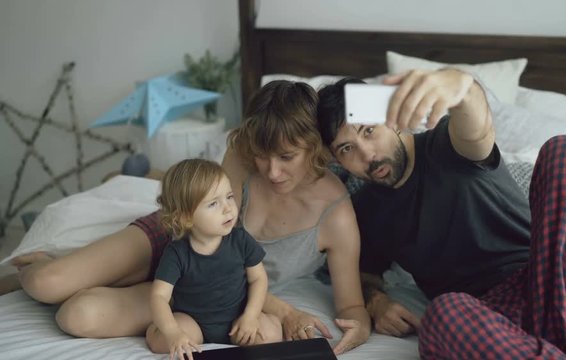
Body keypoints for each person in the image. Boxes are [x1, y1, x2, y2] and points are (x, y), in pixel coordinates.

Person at [4, 80, 370, 355]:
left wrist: (361, 327)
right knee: (47, 283)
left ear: (316, 146)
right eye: (263, 155)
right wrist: (287, 313)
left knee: (76, 316)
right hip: (175, 237)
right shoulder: (243, 154)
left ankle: (93, 276)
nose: (271, 171)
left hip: (203, 293)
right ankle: (32, 271)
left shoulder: (335, 215)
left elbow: (351, 305)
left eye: (287, 157)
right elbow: (215, 239)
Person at [316, 69, 566, 359]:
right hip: (495, 318)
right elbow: (364, 273)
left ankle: (555, 329)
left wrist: (462, 87)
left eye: (369, 131)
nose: (366, 155)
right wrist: (377, 301)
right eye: (346, 149)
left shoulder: (448, 144)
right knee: (442, 315)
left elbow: (476, 124)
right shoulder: (365, 209)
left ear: (393, 119)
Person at [145, 158, 281, 360]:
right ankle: (154, 330)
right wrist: (173, 332)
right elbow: (159, 297)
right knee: (162, 341)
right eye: (213, 204)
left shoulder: (240, 240)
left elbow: (258, 279)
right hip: (194, 324)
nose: (228, 208)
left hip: (238, 319)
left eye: (229, 197)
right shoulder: (176, 253)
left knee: (270, 334)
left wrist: (251, 316)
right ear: (185, 218)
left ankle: (268, 321)